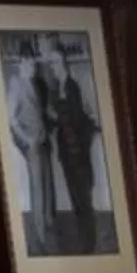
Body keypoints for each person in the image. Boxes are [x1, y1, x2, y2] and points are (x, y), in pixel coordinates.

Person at [45, 39, 103, 253]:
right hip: (66, 153)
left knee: (83, 199)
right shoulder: (55, 89)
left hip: (78, 153)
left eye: (56, 62)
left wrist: (57, 115)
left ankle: (90, 243)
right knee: (75, 198)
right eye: (51, 63)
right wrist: (50, 117)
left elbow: (78, 119)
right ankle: (84, 241)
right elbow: (56, 121)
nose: (53, 66)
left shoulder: (72, 86)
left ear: (64, 63)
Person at [7, 44, 57, 254]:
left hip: (43, 141)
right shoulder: (16, 84)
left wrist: (54, 118)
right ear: (21, 62)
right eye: (29, 62)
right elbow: (12, 119)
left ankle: (48, 226)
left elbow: (40, 112)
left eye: (34, 62)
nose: (33, 66)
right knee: (37, 188)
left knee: (46, 185)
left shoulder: (34, 82)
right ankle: (40, 237)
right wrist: (26, 139)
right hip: (31, 144)